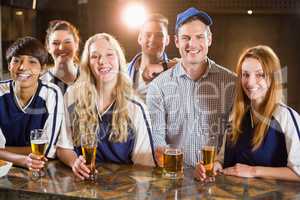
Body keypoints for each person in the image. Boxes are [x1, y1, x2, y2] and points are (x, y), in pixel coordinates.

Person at [194, 45, 300, 182]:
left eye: (259, 74)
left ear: (273, 78)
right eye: (245, 74)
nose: (250, 82)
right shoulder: (236, 117)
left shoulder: (285, 116)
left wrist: (253, 171)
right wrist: (211, 167)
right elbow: (224, 160)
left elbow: (298, 172)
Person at [146, 7, 236, 167]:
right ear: (176, 41)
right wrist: (175, 168)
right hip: (176, 178)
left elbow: (234, 135)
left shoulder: (231, 83)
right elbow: (157, 138)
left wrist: (218, 163)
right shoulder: (158, 86)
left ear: (209, 39)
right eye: (186, 37)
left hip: (219, 177)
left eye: (199, 37)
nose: (192, 44)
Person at [60, 33, 156, 180]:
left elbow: (144, 166)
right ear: (87, 64)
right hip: (81, 184)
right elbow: (63, 147)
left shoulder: (135, 107)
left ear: (119, 59)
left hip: (123, 188)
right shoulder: (73, 95)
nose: (102, 61)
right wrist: (74, 162)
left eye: (109, 54)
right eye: (94, 56)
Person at [0, 36, 73, 171]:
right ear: (9, 65)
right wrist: (22, 160)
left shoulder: (51, 93)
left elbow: (47, 150)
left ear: (43, 69)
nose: (22, 67)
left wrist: (4, 151)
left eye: (32, 62)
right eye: (16, 60)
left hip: (40, 169)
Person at [128, 13, 177, 99]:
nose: (153, 40)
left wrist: (164, 66)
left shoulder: (177, 71)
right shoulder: (122, 72)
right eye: (148, 35)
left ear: (167, 40)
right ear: (140, 38)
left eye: (159, 35)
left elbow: (200, 65)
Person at [41, 20, 80, 94]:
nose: (61, 47)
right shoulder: (40, 85)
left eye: (67, 42)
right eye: (55, 43)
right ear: (48, 47)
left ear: (76, 45)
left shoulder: (90, 79)